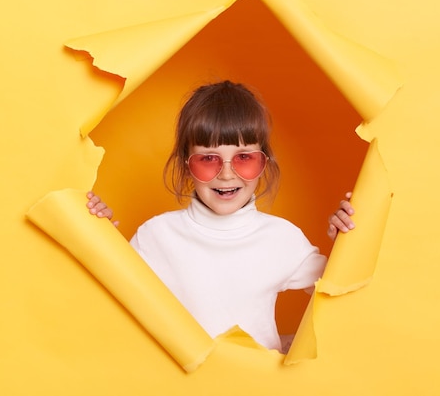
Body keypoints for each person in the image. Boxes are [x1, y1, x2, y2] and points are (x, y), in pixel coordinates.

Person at [86, 80, 355, 352]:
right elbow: (117, 302)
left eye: (244, 158)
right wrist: (98, 234)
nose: (227, 174)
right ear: (186, 164)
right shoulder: (155, 236)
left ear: (264, 162)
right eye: (208, 159)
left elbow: (341, 295)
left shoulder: (281, 238)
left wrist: (347, 240)